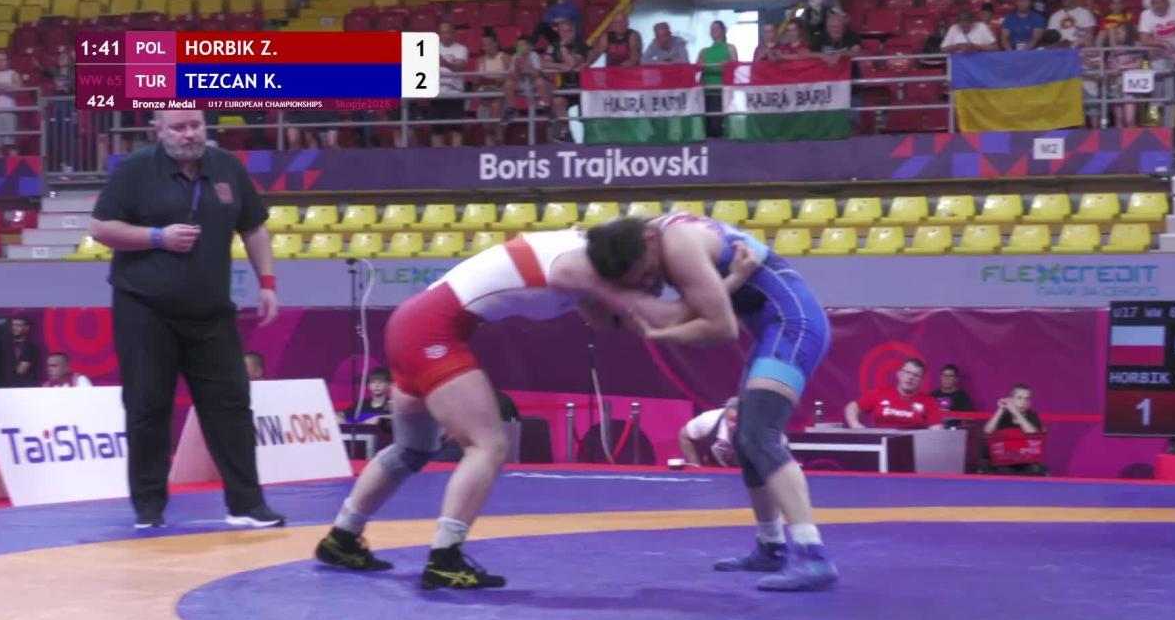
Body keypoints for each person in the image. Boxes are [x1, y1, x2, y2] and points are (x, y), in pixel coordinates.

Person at [313, 228, 750, 588]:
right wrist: (729, 282)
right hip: (432, 331)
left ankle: (341, 539)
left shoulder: (588, 262)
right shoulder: (579, 269)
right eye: (648, 275)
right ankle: (445, 557)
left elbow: (609, 320)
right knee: (488, 446)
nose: (652, 282)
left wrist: (645, 303)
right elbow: (665, 318)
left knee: (412, 450)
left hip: (414, 324)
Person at [585, 214, 837, 592]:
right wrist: (731, 281)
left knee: (760, 434)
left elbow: (721, 329)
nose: (650, 284)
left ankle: (812, 554)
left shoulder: (678, 244)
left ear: (650, 240)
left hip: (794, 325)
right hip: (776, 328)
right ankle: (771, 545)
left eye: (648, 273)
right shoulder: (650, 239)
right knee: (745, 439)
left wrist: (659, 335)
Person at [87, 109, 285, 530]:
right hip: (145, 310)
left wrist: (267, 282)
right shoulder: (135, 169)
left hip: (211, 312)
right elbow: (101, 228)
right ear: (158, 131)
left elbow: (254, 227)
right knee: (147, 407)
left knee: (232, 406)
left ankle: (247, 504)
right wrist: (157, 237)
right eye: (178, 127)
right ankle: (149, 509)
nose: (189, 134)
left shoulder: (227, 167)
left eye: (196, 125)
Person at [846, 358, 945, 430]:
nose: (910, 377)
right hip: (881, 444)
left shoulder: (928, 401)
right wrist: (855, 425)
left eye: (916, 375)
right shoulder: (879, 393)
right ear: (899, 374)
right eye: (907, 372)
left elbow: (936, 428)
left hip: (912, 446)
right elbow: (853, 406)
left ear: (922, 380)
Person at [679, 397, 740, 467]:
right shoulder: (709, 420)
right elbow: (684, 436)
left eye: (743, 420)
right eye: (734, 420)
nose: (739, 425)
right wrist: (696, 467)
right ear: (725, 415)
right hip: (716, 468)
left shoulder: (751, 425)